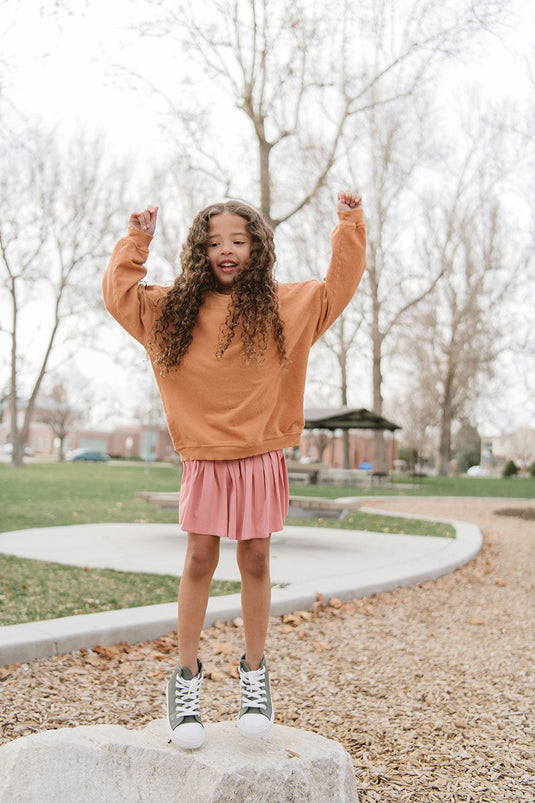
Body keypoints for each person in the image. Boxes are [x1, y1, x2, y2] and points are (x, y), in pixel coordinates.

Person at [102, 190, 366, 750]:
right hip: (205, 457)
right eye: (215, 242)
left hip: (261, 454)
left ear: (257, 248)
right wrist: (137, 242)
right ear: (200, 251)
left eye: (239, 241)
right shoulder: (172, 309)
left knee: (256, 558)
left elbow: (339, 286)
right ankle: (187, 678)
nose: (227, 250)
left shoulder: (284, 306)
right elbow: (119, 295)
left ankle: (254, 676)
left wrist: (349, 223)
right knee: (200, 557)